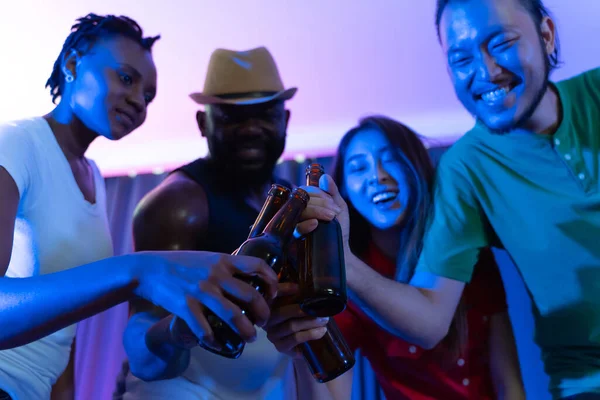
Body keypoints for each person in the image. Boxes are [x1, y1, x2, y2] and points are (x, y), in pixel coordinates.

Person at [282, 0, 600, 398]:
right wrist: (338, 260)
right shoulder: (464, 169)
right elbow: (430, 322)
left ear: (547, 35)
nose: (485, 72)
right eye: (461, 58)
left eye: (501, 42)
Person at [0, 16, 283, 400]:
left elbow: (63, 330)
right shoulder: (14, 144)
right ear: (72, 64)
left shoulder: (93, 179)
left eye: (148, 96)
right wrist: (138, 269)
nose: (138, 101)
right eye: (127, 79)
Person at [264, 116, 525, 399]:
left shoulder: (463, 253)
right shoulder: (343, 284)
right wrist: (302, 348)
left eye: (391, 160)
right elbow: (333, 393)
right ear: (344, 191)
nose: (377, 176)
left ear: (416, 165)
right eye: (358, 168)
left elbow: (509, 382)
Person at [118, 47, 301, 399]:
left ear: (285, 120)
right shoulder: (178, 205)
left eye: (265, 114)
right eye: (233, 117)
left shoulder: (291, 202)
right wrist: (176, 331)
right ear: (203, 124)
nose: (251, 129)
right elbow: (144, 347)